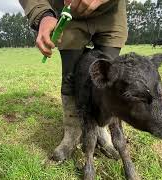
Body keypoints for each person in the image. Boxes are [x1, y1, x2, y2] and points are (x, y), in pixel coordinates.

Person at [19, 0, 128, 161]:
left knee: (106, 79)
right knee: (70, 77)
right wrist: (43, 15)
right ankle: (72, 133)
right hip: (67, 13)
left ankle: (100, 128)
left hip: (111, 11)